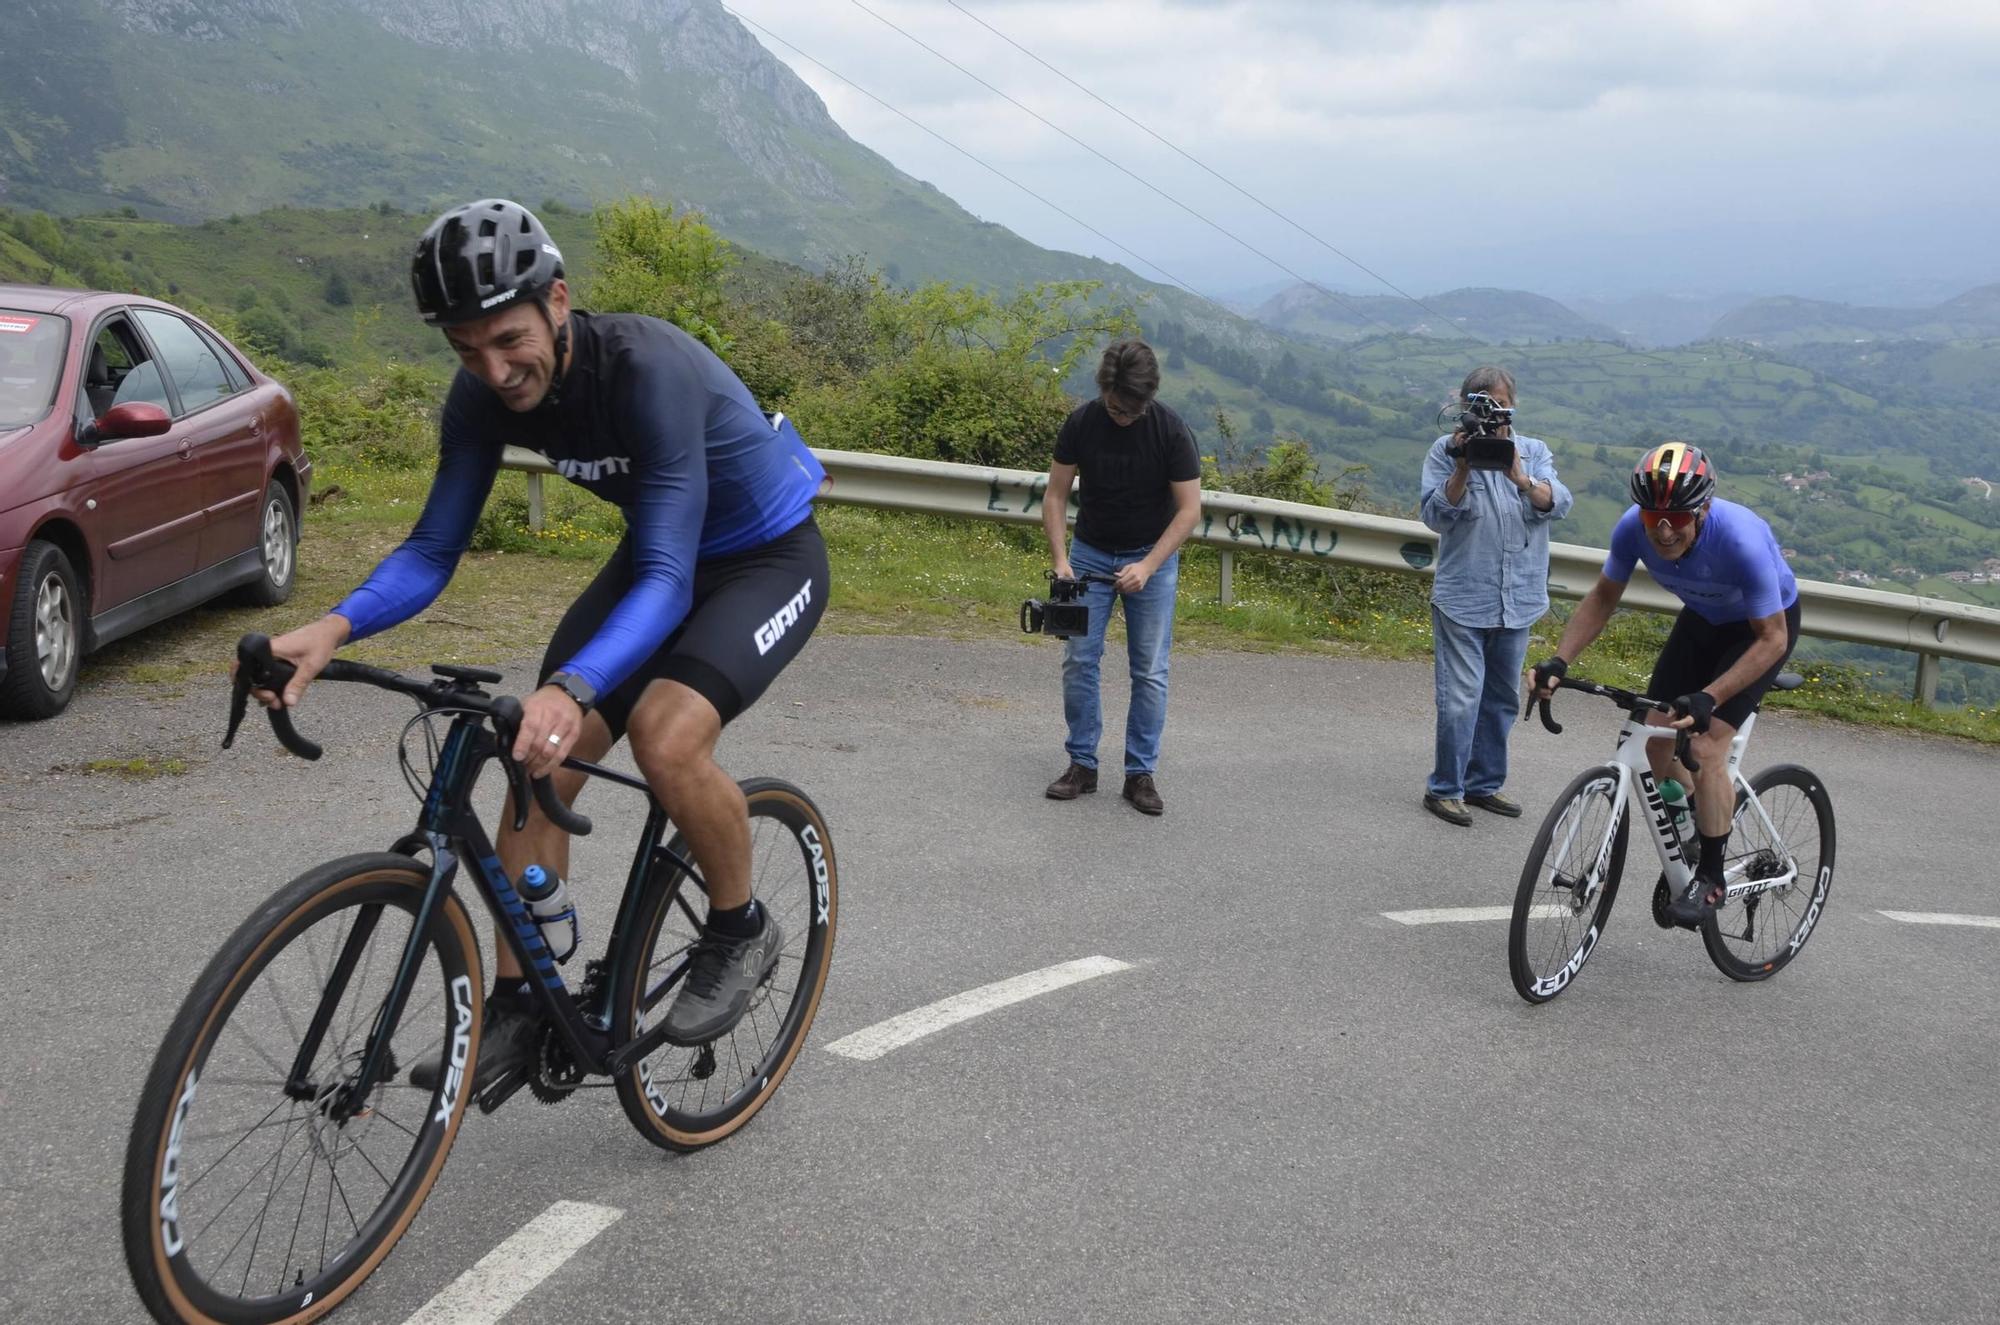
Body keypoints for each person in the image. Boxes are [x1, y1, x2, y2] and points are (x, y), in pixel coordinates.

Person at [247, 198, 830, 1091]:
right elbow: (434, 548)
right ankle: (526, 1000)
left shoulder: (646, 370)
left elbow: (672, 579)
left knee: (666, 738)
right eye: (464, 349)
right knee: (532, 754)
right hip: (658, 558)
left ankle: (739, 924)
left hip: (763, 558)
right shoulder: (482, 396)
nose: (493, 368)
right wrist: (332, 626)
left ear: (558, 302)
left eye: (508, 338)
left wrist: (578, 684)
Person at [1530, 441, 1800, 929]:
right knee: (1655, 739)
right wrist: (1559, 660)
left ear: (1704, 509)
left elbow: (1772, 637)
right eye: (1654, 516)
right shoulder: (1632, 529)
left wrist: (1711, 696)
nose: (1664, 529)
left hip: (1760, 630)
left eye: (1677, 517)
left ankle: (1712, 877)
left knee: (1710, 744)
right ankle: (1701, 812)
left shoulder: (1739, 541)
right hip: (1702, 620)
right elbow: (1603, 596)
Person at [1041, 339, 1201, 816]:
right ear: (1103, 392)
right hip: (1088, 554)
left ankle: (1140, 774)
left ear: (1147, 400)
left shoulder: (1171, 431)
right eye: (1115, 408)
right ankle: (1082, 764)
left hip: (1150, 557)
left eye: (1132, 411)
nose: (1122, 417)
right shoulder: (1083, 422)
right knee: (1078, 660)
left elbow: (1190, 511)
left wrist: (1148, 565)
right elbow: (1054, 496)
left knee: (1149, 670)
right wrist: (1060, 559)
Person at [1418, 366, 1572, 826]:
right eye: (1480, 406)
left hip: (1518, 598)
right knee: (1462, 698)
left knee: (1502, 697)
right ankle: (1445, 789)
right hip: (1464, 596)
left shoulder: (1534, 451)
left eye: (1499, 406)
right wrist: (1463, 466)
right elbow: (1436, 516)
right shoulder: (1445, 453)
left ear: (1512, 406)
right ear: (1466, 406)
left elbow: (1558, 503)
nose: (1490, 417)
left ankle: (1483, 784)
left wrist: (1519, 476)